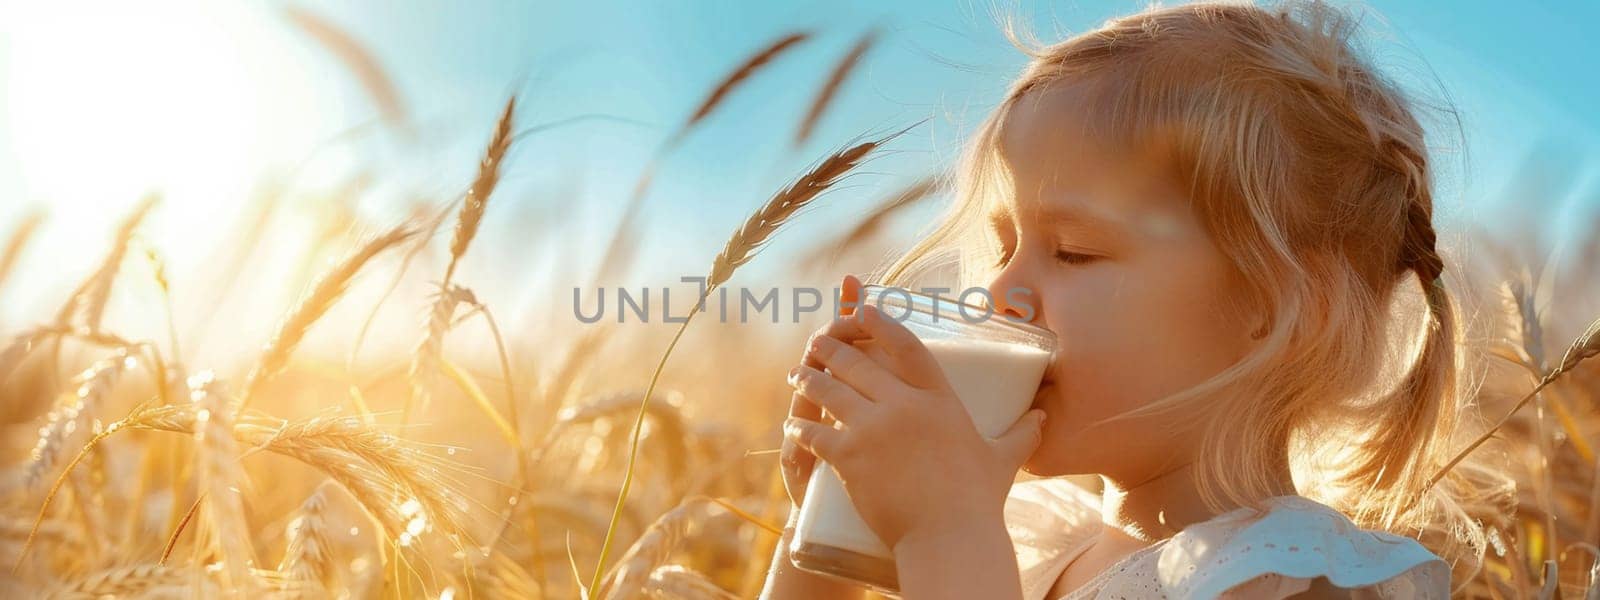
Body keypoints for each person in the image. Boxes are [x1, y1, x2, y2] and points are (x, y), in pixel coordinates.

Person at [760, 1, 1506, 598]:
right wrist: (833, 532)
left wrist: (946, 533)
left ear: (1276, 308)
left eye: (1073, 251)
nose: (1000, 291)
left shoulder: (1282, 577)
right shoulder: (1036, 540)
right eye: (1003, 247)